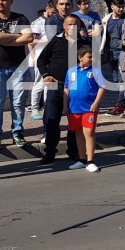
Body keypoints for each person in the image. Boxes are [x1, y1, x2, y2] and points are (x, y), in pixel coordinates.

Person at [0, 0, 36, 148]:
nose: (0, 3)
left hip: (19, 66)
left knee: (18, 102)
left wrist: (4, 38)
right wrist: (16, 37)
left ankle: (17, 132)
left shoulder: (20, 18)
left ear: (11, 1)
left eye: (4, 0)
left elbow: (29, 37)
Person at [37, 14, 87, 164]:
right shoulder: (56, 41)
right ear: (64, 26)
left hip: (76, 87)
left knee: (75, 120)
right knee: (51, 119)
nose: (72, 27)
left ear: (79, 27)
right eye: (69, 24)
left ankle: (73, 151)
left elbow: (92, 64)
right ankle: (50, 152)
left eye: (75, 24)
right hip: (55, 84)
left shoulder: (84, 44)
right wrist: (46, 75)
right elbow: (41, 60)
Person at [64, 45, 105, 172]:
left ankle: (90, 161)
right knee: (78, 133)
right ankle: (81, 159)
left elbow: (102, 87)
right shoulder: (71, 71)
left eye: (93, 57)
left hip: (89, 108)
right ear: (80, 57)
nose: (92, 59)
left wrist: (96, 103)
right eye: (89, 57)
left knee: (89, 133)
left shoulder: (95, 71)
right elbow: (67, 88)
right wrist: (65, 105)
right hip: (74, 108)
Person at [100, 0, 125, 114]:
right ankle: (123, 103)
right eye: (119, 7)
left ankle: (121, 104)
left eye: (122, 7)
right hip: (110, 54)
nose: (121, 9)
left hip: (123, 53)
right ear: (112, 7)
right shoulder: (106, 19)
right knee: (116, 80)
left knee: (123, 80)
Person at [29, 1, 56, 120]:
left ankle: (47, 107)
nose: (54, 14)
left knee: (50, 84)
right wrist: (34, 58)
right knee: (39, 83)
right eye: (53, 12)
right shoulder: (38, 23)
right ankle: (34, 108)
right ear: (47, 8)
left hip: (52, 57)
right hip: (40, 57)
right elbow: (30, 41)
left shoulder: (55, 22)